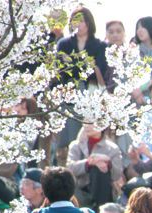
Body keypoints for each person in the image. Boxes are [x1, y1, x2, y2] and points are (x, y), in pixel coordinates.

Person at [55, 7, 108, 167]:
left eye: (82, 20)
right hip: (70, 93)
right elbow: (61, 69)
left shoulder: (99, 45)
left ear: (89, 23)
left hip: (91, 92)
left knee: (89, 131)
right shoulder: (64, 43)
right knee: (71, 135)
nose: (79, 24)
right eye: (75, 20)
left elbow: (100, 68)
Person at [67, 124, 124, 210]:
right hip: (80, 189)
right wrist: (89, 162)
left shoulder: (112, 148)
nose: (87, 126)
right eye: (85, 122)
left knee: (99, 169)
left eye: (91, 123)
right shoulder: (76, 145)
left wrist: (108, 163)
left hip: (104, 191)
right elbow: (70, 168)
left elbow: (117, 174)